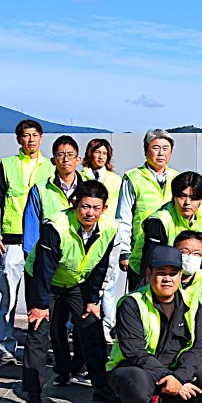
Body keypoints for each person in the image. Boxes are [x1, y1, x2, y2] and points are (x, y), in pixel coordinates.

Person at [21, 181, 116, 403]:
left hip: (76, 281)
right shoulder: (55, 226)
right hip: (45, 282)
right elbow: (44, 268)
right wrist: (40, 305)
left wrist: (93, 300)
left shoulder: (110, 228)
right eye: (85, 206)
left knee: (91, 326)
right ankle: (33, 395)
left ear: (104, 209)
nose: (90, 213)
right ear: (75, 204)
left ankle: (101, 386)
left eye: (96, 207)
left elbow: (101, 265)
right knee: (38, 332)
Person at [107, 245, 202, 403]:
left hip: (174, 368)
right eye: (161, 273)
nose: (167, 279)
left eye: (173, 273)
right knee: (137, 383)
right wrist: (167, 377)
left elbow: (200, 347)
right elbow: (135, 352)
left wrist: (180, 377)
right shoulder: (131, 303)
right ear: (149, 274)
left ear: (180, 275)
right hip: (136, 368)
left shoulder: (193, 303)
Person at [0, 119, 54, 366]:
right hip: (13, 241)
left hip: (43, 242)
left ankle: (40, 347)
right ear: (18, 139)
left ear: (41, 138)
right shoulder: (7, 165)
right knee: (9, 297)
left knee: (42, 298)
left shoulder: (51, 166)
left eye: (35, 135)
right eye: (26, 136)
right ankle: (5, 346)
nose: (31, 140)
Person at [117, 129, 178, 290]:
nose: (160, 153)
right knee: (140, 300)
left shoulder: (177, 178)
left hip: (172, 251)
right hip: (141, 253)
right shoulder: (133, 177)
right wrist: (124, 251)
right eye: (155, 147)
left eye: (165, 148)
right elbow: (123, 216)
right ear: (145, 151)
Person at [138, 172, 202, 282]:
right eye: (182, 196)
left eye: (193, 198)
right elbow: (149, 264)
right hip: (153, 275)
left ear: (201, 200)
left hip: (188, 278)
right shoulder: (159, 220)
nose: (187, 203)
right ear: (174, 197)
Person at [81, 138, 123, 337]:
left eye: (104, 153)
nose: (100, 156)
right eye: (97, 152)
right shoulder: (81, 176)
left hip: (108, 233)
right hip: (86, 233)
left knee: (109, 284)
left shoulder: (116, 179)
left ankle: (107, 326)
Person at [22, 135, 84, 256]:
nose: (66, 159)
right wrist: (32, 260)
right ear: (53, 160)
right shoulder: (40, 188)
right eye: (60, 155)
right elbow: (31, 228)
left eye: (70, 155)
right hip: (48, 256)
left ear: (78, 160)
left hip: (80, 258)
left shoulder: (89, 187)